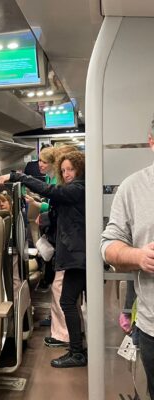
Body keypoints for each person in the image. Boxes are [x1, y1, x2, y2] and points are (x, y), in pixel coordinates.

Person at [0, 151, 87, 368]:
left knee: (67, 301)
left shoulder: (78, 188)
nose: (67, 174)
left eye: (70, 169)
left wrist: (17, 176)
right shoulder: (75, 190)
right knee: (70, 301)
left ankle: (77, 352)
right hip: (76, 254)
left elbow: (49, 190)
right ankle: (78, 348)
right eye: (63, 170)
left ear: (80, 170)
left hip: (78, 256)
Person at [101, 128, 154, 398]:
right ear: (151, 142)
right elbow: (109, 246)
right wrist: (140, 257)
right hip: (152, 326)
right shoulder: (133, 188)